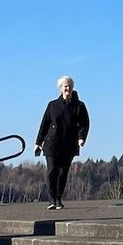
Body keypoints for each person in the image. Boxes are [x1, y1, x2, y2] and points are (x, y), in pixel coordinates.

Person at [35, 75, 89, 210]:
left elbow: (84, 123)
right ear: (60, 88)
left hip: (69, 144)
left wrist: (81, 137)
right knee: (52, 171)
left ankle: (58, 198)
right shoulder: (52, 105)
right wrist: (38, 142)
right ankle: (51, 199)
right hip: (52, 143)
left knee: (62, 172)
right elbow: (44, 123)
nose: (68, 88)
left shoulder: (79, 106)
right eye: (65, 86)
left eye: (70, 86)